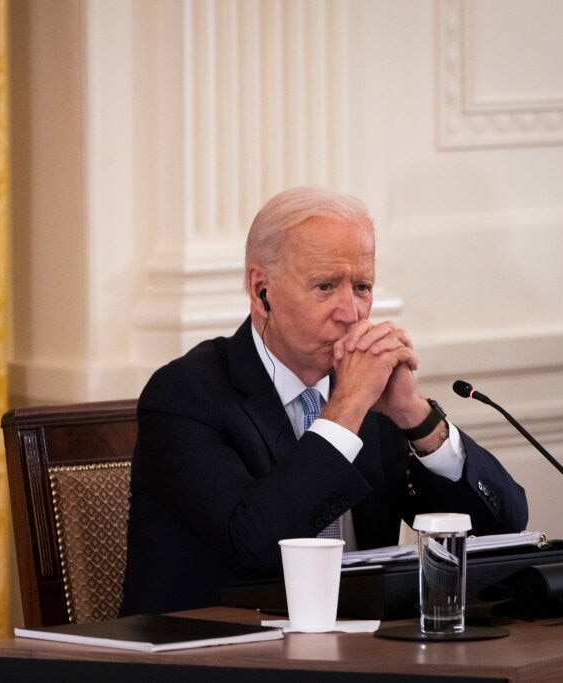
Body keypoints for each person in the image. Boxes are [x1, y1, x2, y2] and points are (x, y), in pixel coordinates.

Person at [120, 187, 528, 615]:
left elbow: (502, 526)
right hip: (216, 655)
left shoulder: (373, 395)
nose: (351, 312)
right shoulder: (187, 395)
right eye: (325, 286)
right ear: (262, 292)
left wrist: (416, 417)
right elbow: (255, 548)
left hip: (361, 651)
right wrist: (345, 410)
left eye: (362, 287)